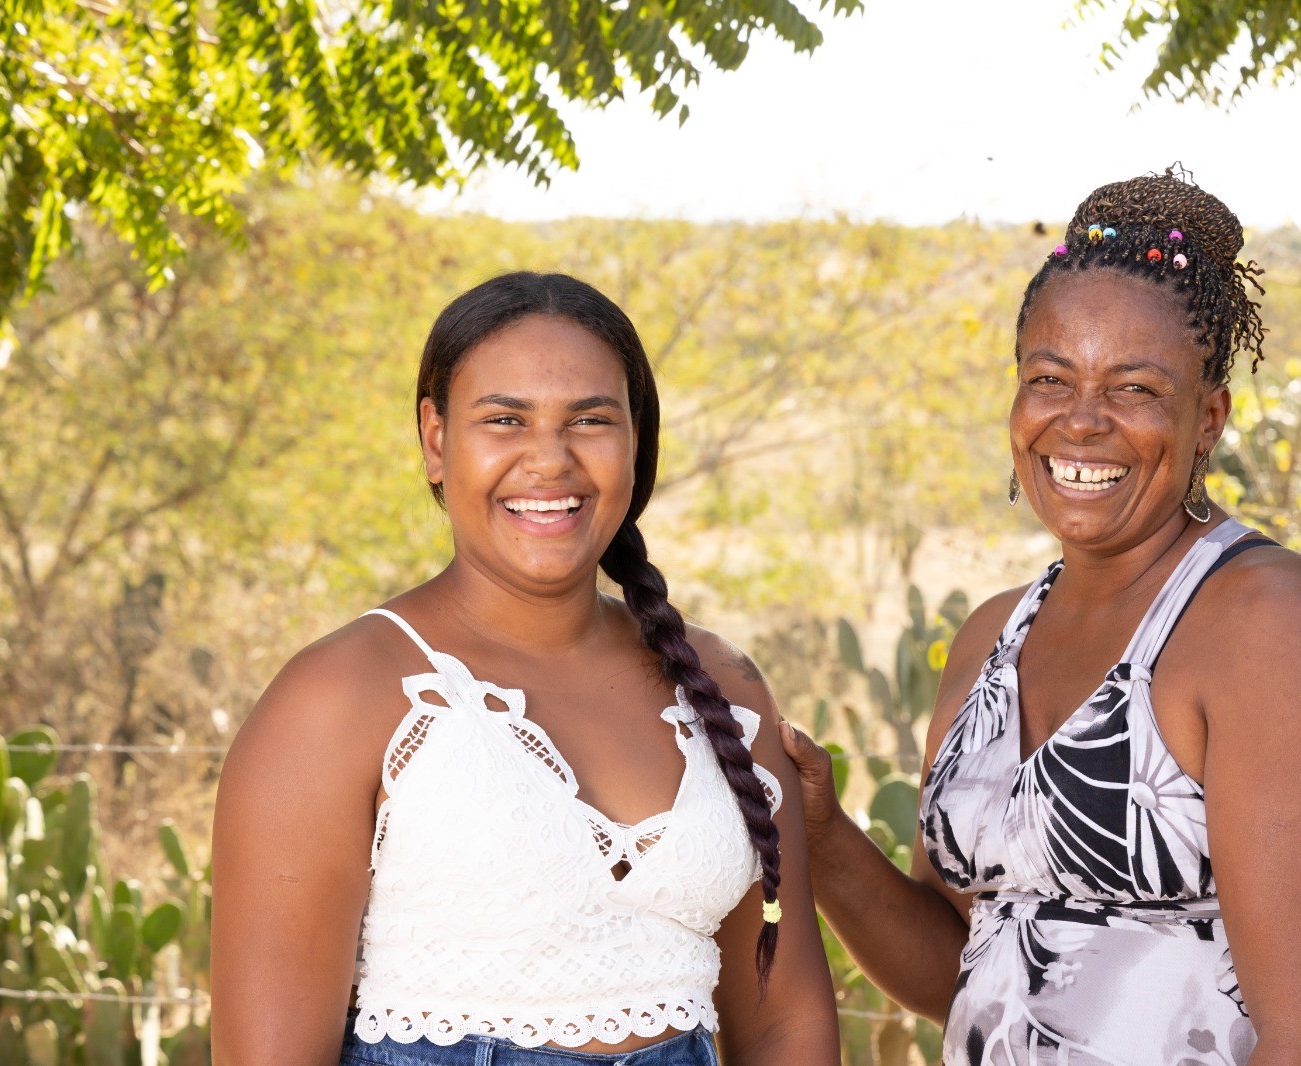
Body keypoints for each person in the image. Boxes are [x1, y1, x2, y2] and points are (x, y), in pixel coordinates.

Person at [780, 170, 1301, 1066]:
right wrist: (825, 834)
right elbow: (971, 966)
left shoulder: (1266, 624)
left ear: (1209, 420)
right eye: (1050, 378)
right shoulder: (991, 638)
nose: (1080, 422)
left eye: (1135, 389)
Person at [212, 272, 839, 1066]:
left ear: (636, 440)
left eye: (591, 419)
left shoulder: (722, 688)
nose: (550, 460)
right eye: (505, 419)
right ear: (437, 441)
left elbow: (784, 1022)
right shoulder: (340, 699)